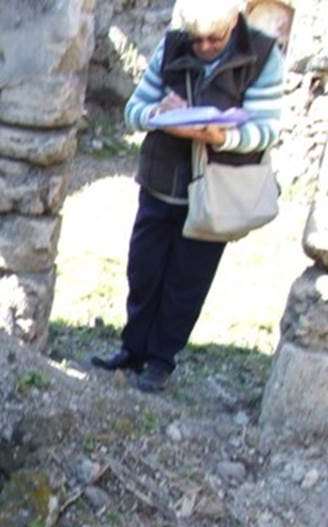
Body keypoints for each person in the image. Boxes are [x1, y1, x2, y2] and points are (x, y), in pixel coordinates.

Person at [91, 0, 285, 392]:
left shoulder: (262, 54)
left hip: (215, 189)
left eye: (214, 39)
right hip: (162, 180)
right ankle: (133, 349)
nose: (204, 47)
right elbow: (134, 110)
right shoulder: (172, 45)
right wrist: (158, 112)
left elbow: (266, 129)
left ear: (234, 23)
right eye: (197, 40)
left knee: (186, 281)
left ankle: (161, 359)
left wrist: (220, 136)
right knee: (144, 270)